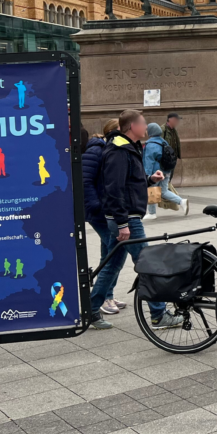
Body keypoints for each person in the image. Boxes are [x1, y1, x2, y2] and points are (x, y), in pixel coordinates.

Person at [89, 109, 170, 330]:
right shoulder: (118, 150)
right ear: (132, 127)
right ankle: (158, 314)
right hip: (127, 218)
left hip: (126, 216)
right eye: (143, 123)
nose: (146, 127)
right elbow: (113, 189)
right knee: (145, 263)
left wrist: (149, 179)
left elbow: (128, 182)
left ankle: (91, 310)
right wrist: (123, 223)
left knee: (112, 265)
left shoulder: (127, 147)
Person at [82, 119, 125, 316]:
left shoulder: (109, 150)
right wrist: (97, 206)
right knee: (115, 250)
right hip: (99, 212)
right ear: (112, 132)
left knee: (108, 252)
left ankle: (108, 294)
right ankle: (104, 297)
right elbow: (85, 180)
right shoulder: (96, 150)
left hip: (106, 210)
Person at [144, 122, 188, 219]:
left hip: (156, 172)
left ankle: (152, 213)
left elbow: (149, 161)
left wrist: (147, 175)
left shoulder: (150, 144)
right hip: (166, 170)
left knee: (152, 189)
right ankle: (181, 201)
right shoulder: (163, 142)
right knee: (163, 191)